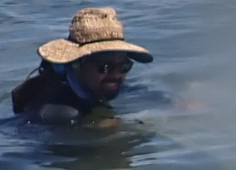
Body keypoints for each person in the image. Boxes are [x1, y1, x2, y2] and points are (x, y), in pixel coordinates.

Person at [11, 6, 153, 124]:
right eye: (105, 67)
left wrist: (170, 102)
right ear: (77, 64)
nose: (116, 75)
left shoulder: (86, 84)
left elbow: (133, 91)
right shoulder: (63, 114)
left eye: (124, 67)